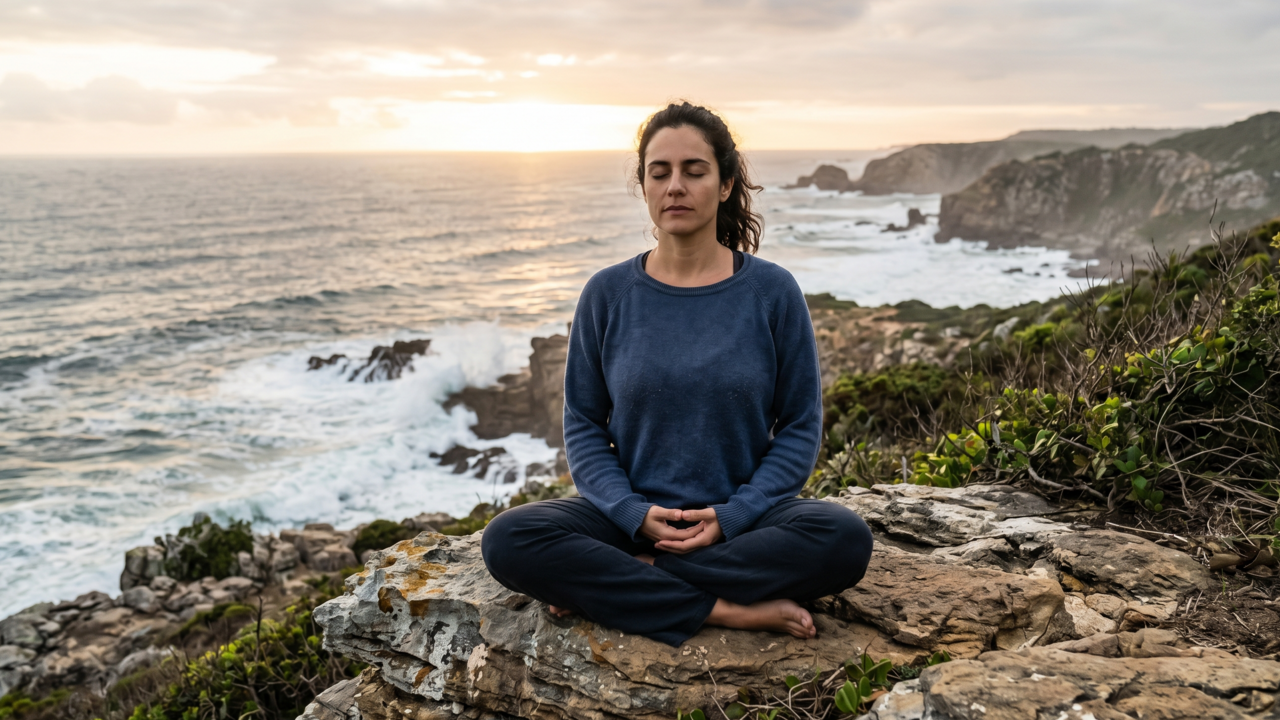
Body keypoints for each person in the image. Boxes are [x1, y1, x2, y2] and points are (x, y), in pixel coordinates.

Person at [480, 101, 873, 647]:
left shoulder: (772, 292)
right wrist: (632, 513)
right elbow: (584, 426)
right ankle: (726, 610)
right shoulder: (607, 293)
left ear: (726, 184)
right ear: (643, 185)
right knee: (509, 538)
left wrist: (734, 515)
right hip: (628, 523)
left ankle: (627, 581)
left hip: (742, 524)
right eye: (659, 172)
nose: (675, 187)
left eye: (694, 171)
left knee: (845, 538)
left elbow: (801, 425)